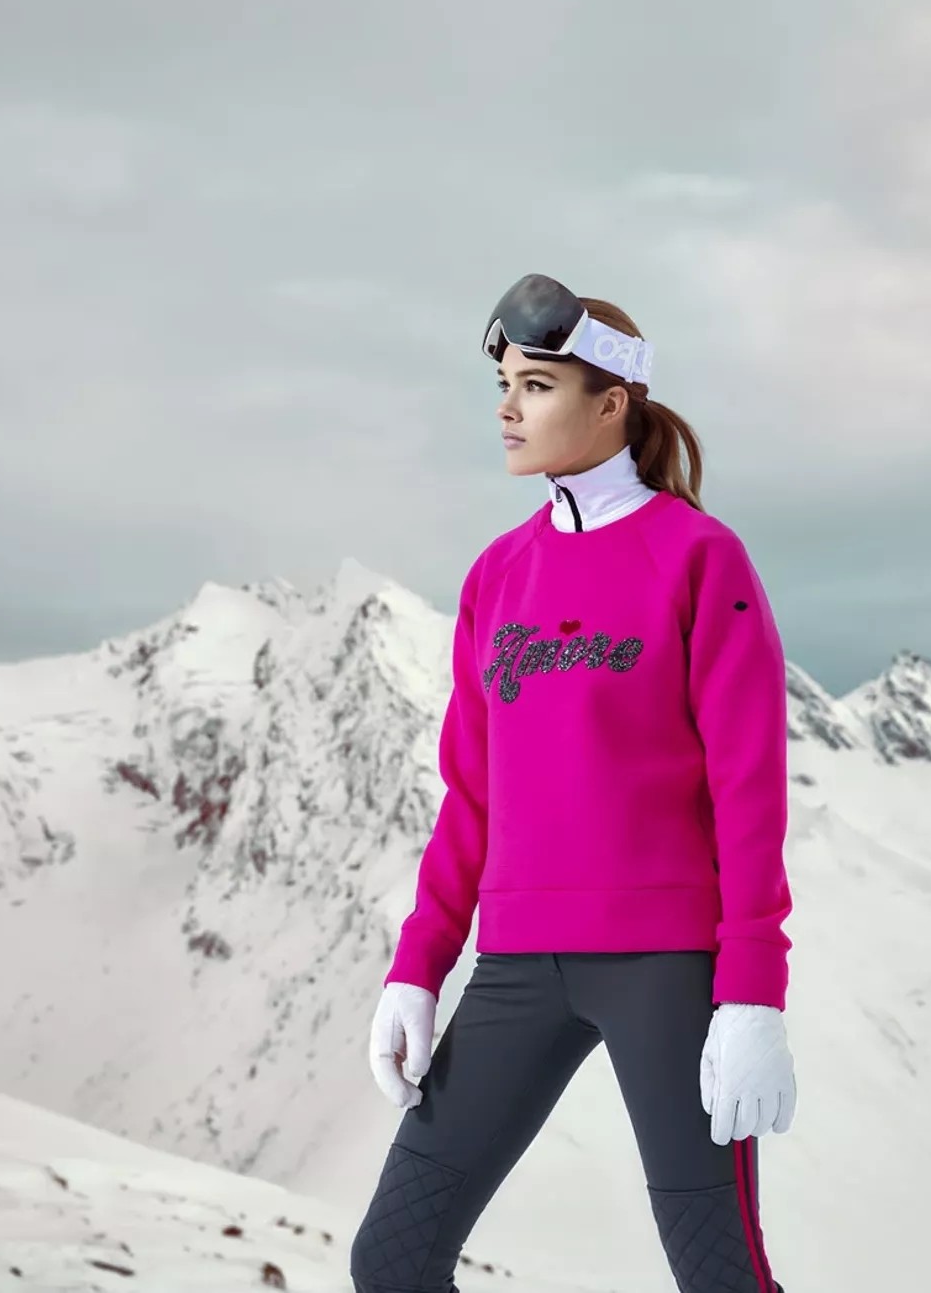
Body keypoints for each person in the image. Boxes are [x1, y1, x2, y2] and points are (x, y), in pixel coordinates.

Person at [348, 273, 797, 1293]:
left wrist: (751, 994)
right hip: (515, 965)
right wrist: (418, 966)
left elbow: (748, 790)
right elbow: (472, 793)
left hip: (666, 968)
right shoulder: (497, 574)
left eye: (537, 385)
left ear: (611, 405)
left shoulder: (700, 558)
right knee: (392, 1261)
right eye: (504, 385)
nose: (508, 408)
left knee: (720, 1277)